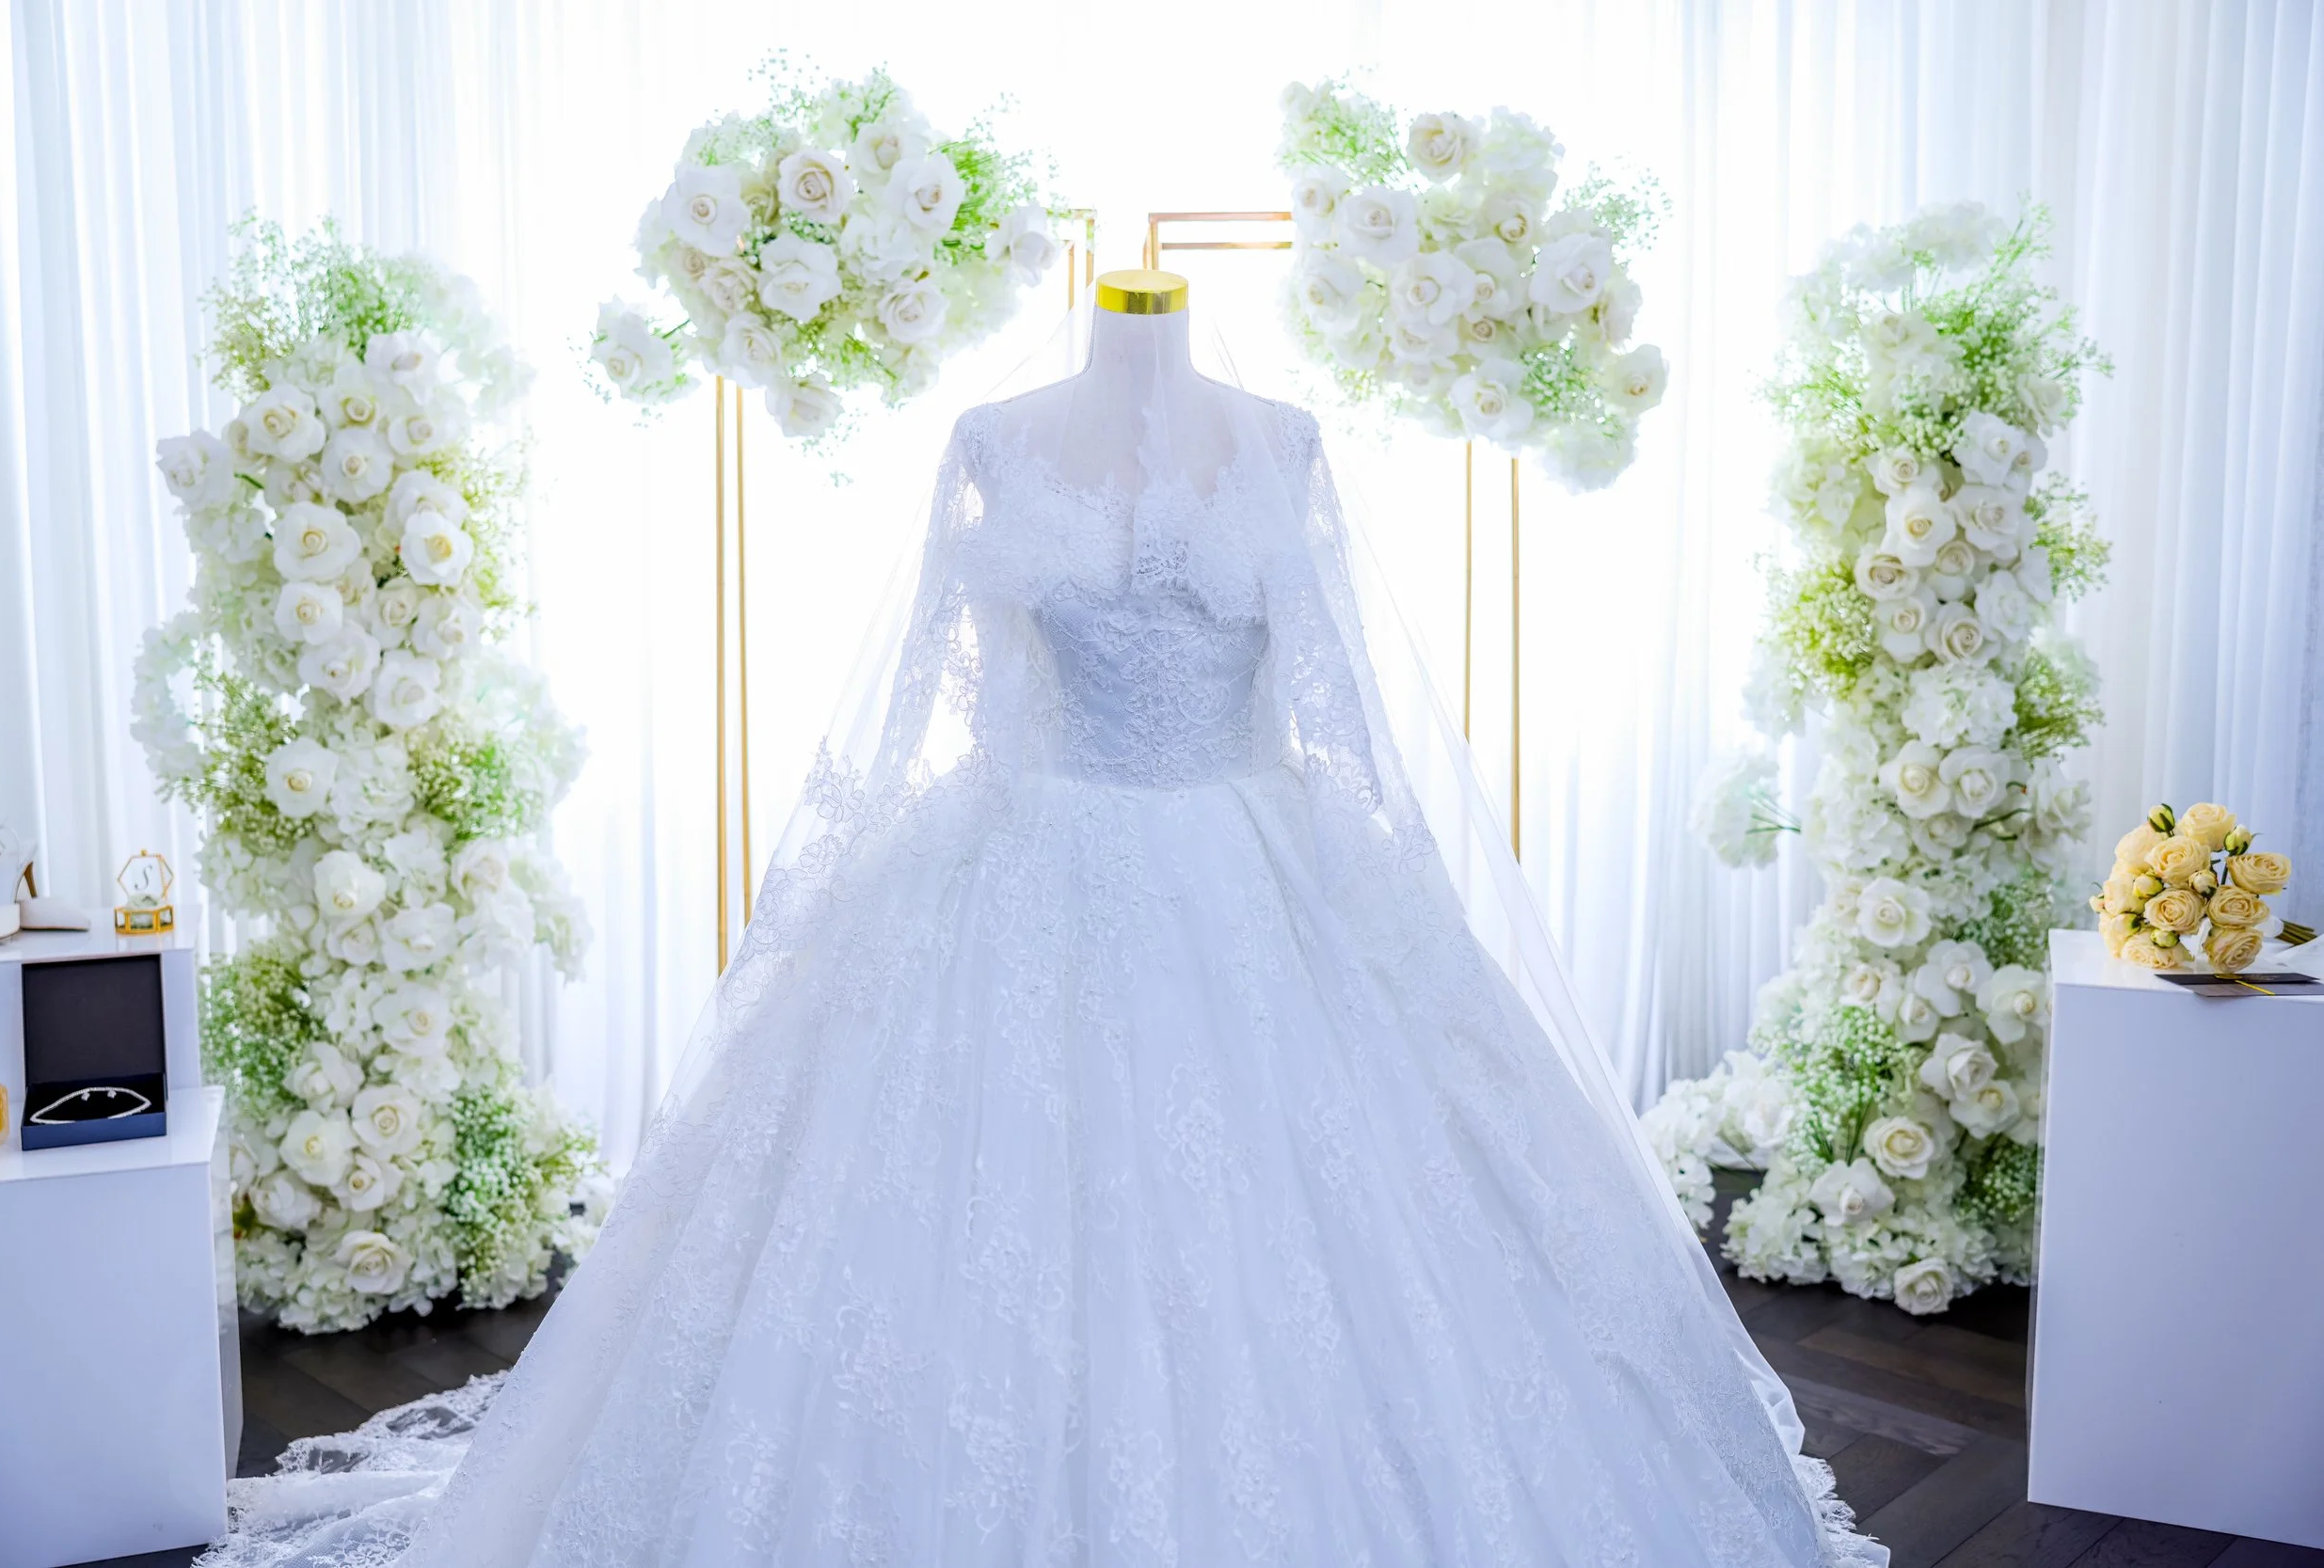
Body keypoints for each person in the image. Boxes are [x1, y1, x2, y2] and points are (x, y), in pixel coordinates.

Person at [205, 271, 1883, 1568]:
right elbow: (941, 685)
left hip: (1251, 865)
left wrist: (1392, 914)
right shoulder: (994, 438)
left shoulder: (1285, 437)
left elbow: (1338, 708)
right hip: (1021, 863)